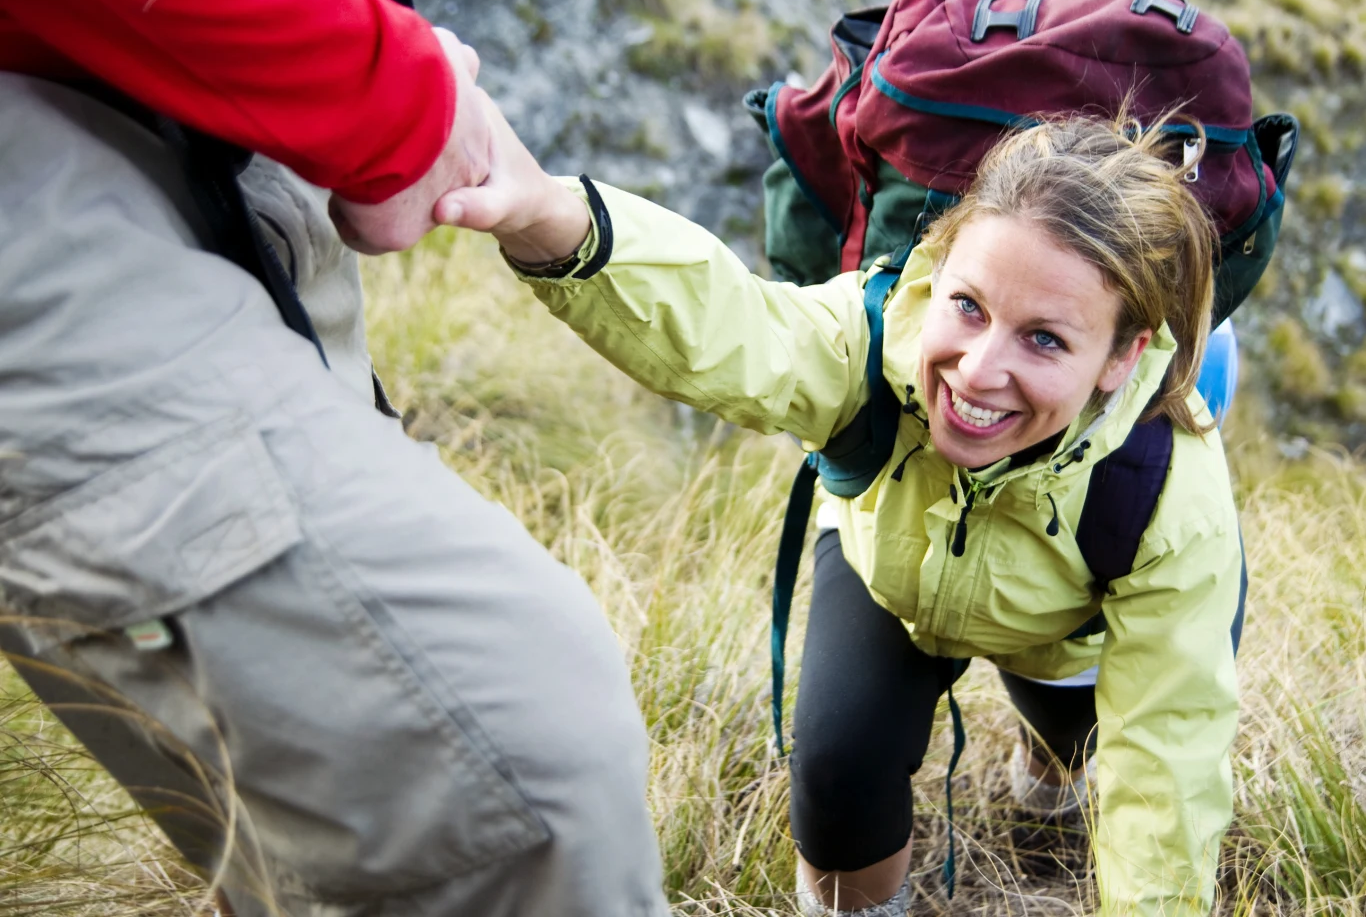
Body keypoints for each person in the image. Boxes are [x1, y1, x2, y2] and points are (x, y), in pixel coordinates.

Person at [440, 101, 1247, 917]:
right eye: (967, 305)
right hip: (887, 570)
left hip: (1067, 627)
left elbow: (1169, 768)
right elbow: (729, 326)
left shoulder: (1171, 497)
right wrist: (548, 217)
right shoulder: (871, 336)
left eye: (1045, 339)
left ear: (1122, 357)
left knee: (1069, 742)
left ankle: (1048, 791)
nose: (975, 372)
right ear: (938, 265)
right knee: (836, 767)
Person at [0, 0, 668, 916]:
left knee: (331, 825)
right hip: (86, 105)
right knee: (524, 753)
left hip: (225, 119)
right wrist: (395, 98)